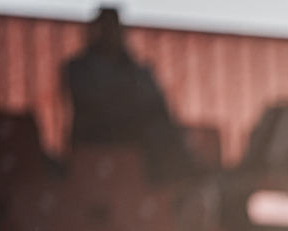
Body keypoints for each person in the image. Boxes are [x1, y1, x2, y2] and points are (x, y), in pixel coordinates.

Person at [62, 6, 193, 180]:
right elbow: (92, 103)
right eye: (105, 27)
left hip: (137, 129)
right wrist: (126, 101)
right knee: (155, 133)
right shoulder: (78, 67)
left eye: (114, 26)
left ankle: (183, 180)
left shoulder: (138, 70)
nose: (110, 33)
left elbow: (158, 103)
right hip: (99, 135)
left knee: (163, 129)